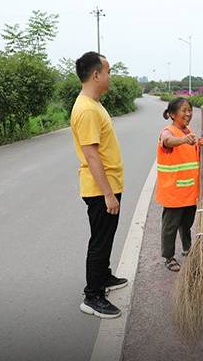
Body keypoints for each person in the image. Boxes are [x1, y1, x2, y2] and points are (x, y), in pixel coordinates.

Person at [70, 51, 128, 319]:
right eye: (108, 71)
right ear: (96, 75)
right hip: (99, 189)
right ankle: (92, 296)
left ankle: (103, 277)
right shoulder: (86, 109)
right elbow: (91, 155)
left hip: (107, 185)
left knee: (105, 237)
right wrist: (108, 194)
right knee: (100, 241)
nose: (110, 76)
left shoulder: (94, 104)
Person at [156, 97, 203, 272]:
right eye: (184, 110)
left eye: (190, 110)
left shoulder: (188, 131)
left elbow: (190, 156)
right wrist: (185, 140)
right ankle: (168, 256)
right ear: (172, 114)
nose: (188, 114)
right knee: (170, 226)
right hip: (174, 191)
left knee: (187, 223)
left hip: (190, 190)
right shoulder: (167, 131)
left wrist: (199, 145)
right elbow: (168, 141)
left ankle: (187, 248)